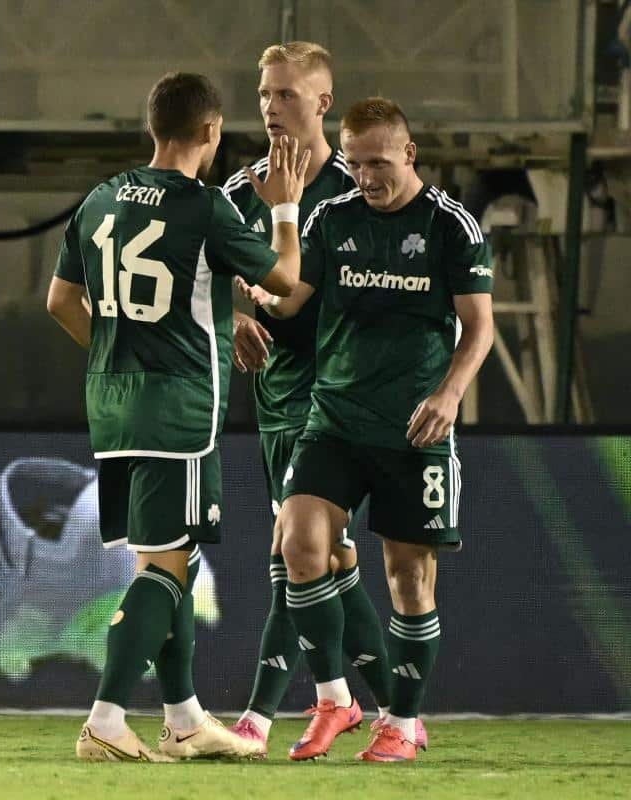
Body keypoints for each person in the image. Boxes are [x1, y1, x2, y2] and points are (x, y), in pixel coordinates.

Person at [47, 71, 308, 762]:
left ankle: (184, 717)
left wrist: (120, 351)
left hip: (112, 408)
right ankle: (105, 720)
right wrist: (286, 206)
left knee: (171, 561)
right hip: (179, 413)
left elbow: (60, 301)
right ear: (212, 132)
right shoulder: (204, 207)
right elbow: (285, 282)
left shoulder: (101, 198)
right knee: (164, 570)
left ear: (152, 126)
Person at [244, 96, 494, 762]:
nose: (366, 177)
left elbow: (480, 327)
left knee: (408, 578)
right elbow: (290, 297)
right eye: (355, 164)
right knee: (298, 546)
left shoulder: (451, 226)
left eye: (379, 163)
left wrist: (449, 395)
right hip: (334, 419)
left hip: (414, 428)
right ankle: (334, 698)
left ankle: (402, 721)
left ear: (409, 154)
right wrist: (258, 289)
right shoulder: (333, 217)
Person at [221, 41, 421, 758]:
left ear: (323, 103)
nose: (271, 107)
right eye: (264, 94)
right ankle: (392, 710)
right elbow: (210, 277)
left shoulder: (355, 186)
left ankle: (261, 715)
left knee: (296, 551)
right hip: (274, 397)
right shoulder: (239, 191)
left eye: (286, 94)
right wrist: (234, 316)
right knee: (324, 558)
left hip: (335, 398)